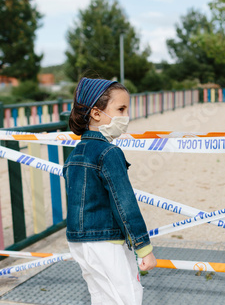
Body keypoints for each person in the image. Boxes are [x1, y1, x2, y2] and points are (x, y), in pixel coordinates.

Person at [64, 77, 157, 305]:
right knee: (126, 298)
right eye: (121, 109)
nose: (126, 117)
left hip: (78, 241)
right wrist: (144, 247)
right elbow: (125, 203)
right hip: (106, 242)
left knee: (102, 297)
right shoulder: (109, 153)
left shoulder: (74, 154)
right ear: (96, 113)